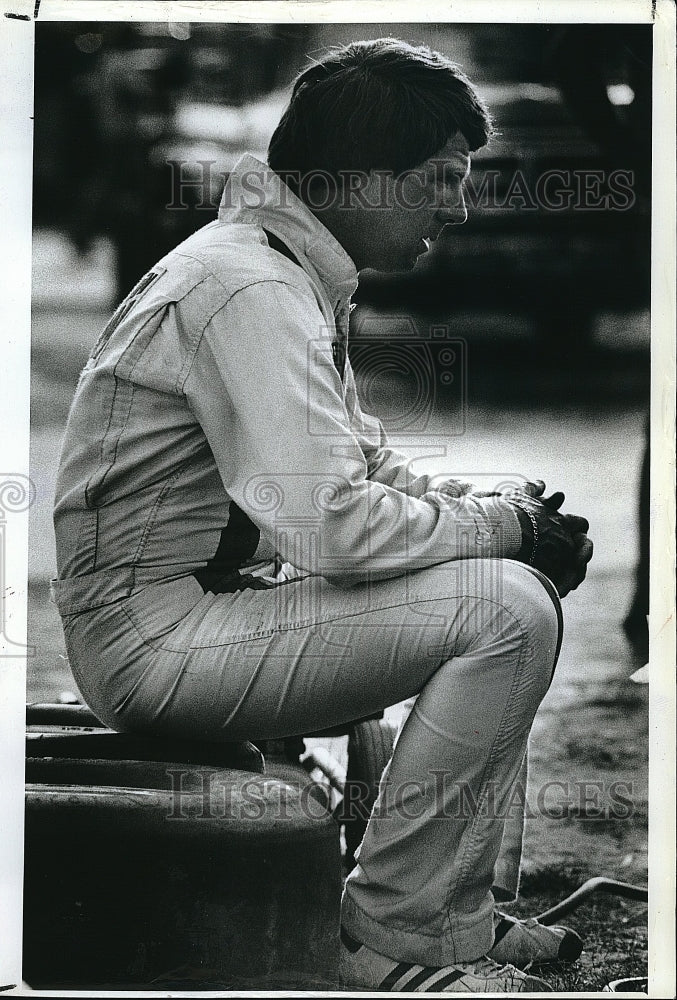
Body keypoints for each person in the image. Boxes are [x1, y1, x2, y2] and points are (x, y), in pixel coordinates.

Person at [52, 39, 594, 992]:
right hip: (153, 637)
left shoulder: (276, 265)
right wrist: (503, 535)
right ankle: (390, 934)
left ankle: (449, 920)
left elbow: (357, 463)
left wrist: (496, 509)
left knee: (508, 582)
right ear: (359, 178)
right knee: (505, 607)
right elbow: (332, 526)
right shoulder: (251, 286)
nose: (455, 207)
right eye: (438, 179)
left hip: (198, 610)